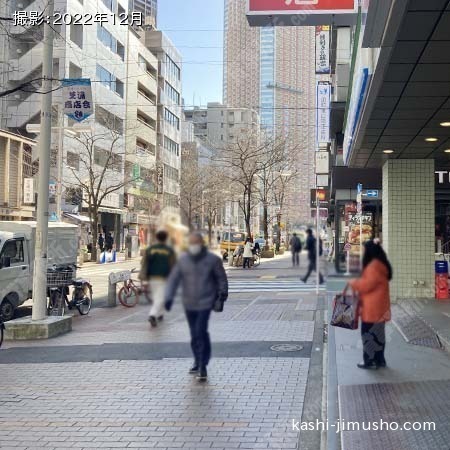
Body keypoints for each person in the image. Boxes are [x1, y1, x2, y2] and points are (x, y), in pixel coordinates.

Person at [165, 232, 228, 381]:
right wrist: (168, 297)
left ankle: (202, 365)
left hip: (206, 302)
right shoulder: (183, 260)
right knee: (194, 334)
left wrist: (221, 297)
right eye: (191, 243)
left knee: (200, 331)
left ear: (201, 244)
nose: (193, 246)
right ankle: (197, 360)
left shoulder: (213, 260)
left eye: (196, 243)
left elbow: (221, 279)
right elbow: (173, 279)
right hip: (189, 303)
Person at [349, 239, 392, 370]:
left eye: (364, 250)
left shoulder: (374, 266)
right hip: (380, 308)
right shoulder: (381, 264)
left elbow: (366, 285)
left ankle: (369, 361)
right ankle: (380, 360)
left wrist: (353, 282)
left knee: (368, 335)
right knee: (378, 336)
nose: (363, 253)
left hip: (372, 309)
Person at [140, 230, 176, 327]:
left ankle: (160, 314)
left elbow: (144, 263)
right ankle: (153, 315)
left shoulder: (151, 249)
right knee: (160, 297)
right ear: (166, 238)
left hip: (152, 277)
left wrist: (143, 276)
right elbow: (173, 265)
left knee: (157, 296)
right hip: (164, 277)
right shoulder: (169, 250)